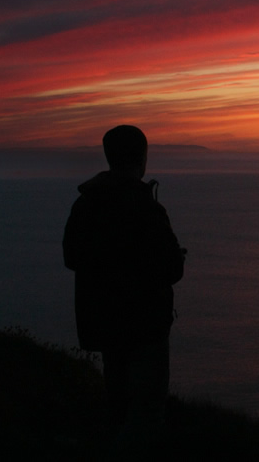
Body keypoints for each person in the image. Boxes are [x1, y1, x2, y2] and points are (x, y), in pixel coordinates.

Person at [63, 125, 186, 442]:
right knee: (147, 411)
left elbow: (72, 256)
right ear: (142, 157)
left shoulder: (87, 203)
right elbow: (171, 268)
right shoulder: (145, 207)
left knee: (118, 404)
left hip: (104, 322)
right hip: (145, 325)